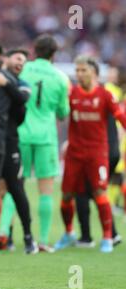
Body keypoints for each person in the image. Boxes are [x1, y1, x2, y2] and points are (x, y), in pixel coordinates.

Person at [54, 56, 126, 253]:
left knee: (99, 192)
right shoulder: (72, 94)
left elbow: (121, 118)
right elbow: (60, 112)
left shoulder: (105, 95)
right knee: (67, 195)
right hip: (74, 154)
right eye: (77, 71)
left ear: (94, 73)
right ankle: (69, 233)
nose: (79, 74)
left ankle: (108, 237)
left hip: (97, 154)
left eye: (83, 70)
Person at [18, 34, 70, 252]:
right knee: (46, 191)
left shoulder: (23, 70)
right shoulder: (59, 78)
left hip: (20, 133)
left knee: (14, 186)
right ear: (54, 54)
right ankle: (43, 240)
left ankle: (2, 235)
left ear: (34, 50)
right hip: (46, 137)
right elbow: (63, 112)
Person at [0, 48, 38, 254]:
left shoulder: (22, 85)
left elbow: (22, 101)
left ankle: (28, 236)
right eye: (18, 58)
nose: (21, 62)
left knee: (15, 188)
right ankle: (0, 236)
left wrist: (6, 83)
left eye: (24, 60)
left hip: (10, 143)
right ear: (6, 59)